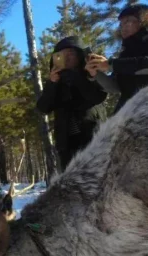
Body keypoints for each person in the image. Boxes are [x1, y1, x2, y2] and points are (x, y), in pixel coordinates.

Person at [36, 36, 108, 171]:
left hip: (93, 138)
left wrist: (79, 77)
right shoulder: (57, 81)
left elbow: (97, 97)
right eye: (61, 55)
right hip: (67, 143)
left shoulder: (90, 74)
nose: (67, 58)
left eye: (71, 54)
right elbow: (42, 107)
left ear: (80, 55)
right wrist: (52, 84)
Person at [86, 4, 148, 114]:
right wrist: (95, 73)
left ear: (144, 20)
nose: (122, 27)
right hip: (129, 116)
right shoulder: (126, 53)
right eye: (121, 23)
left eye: (128, 21)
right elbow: (115, 87)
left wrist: (110, 64)